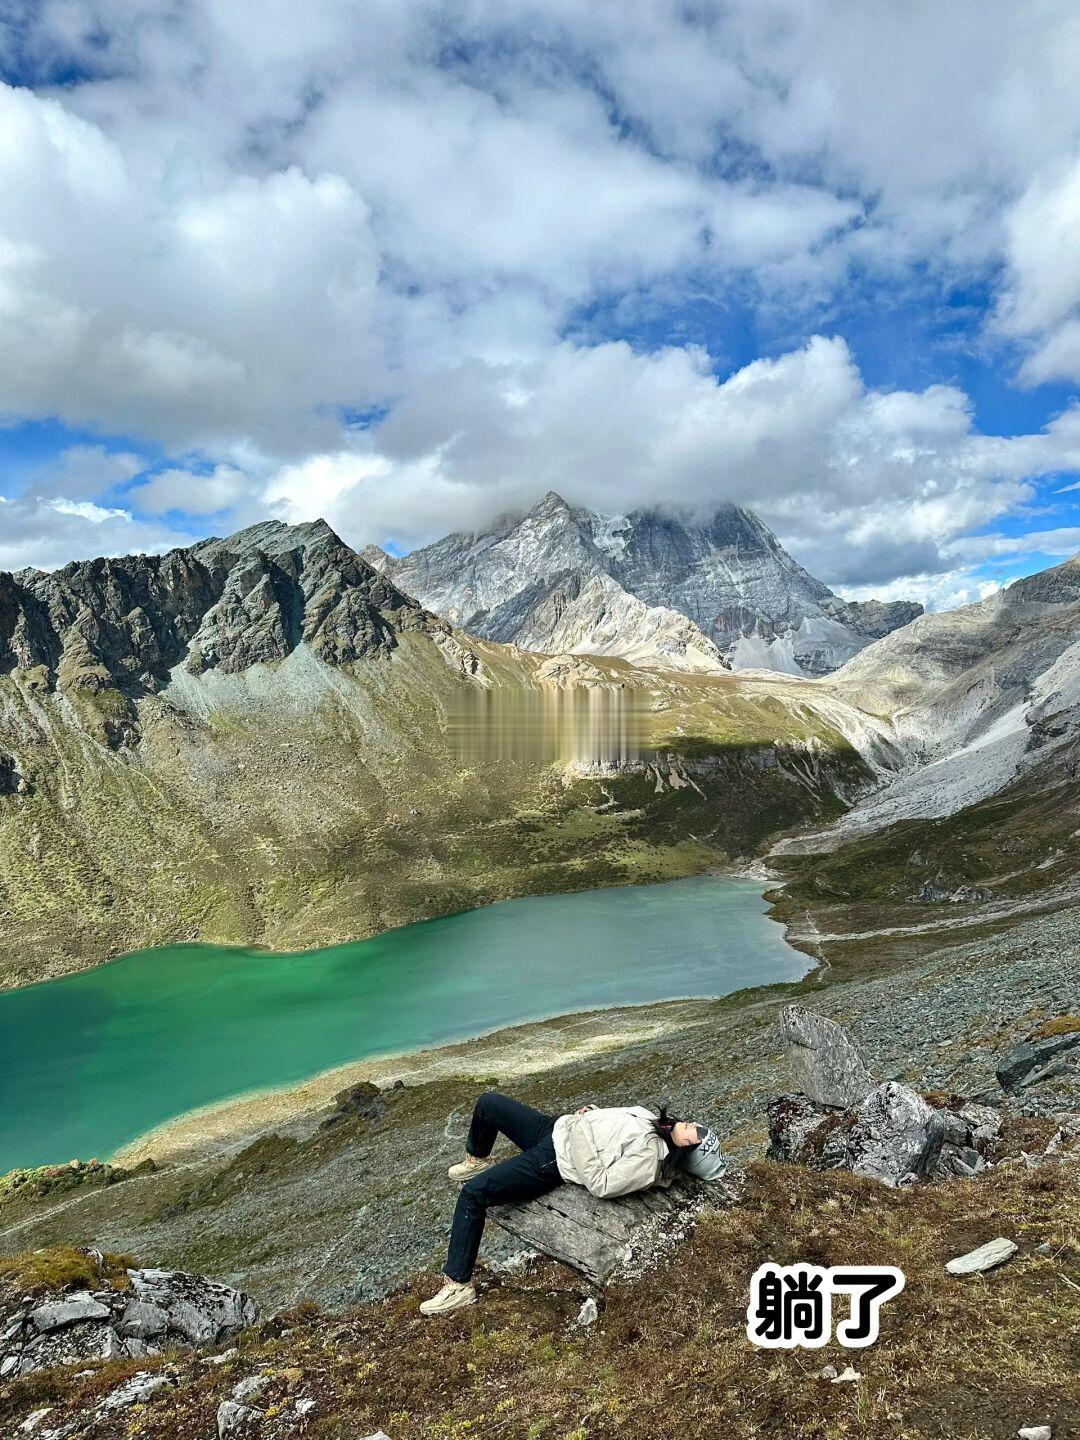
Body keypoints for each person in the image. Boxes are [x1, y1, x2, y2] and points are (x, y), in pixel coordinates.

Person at [420, 1090, 726, 1315]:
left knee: (473, 1194)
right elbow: (612, 1126)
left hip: (554, 1159)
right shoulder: (657, 1123)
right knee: (488, 1104)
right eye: (699, 1127)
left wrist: (581, 1130)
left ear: (689, 1152)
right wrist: (591, 1111)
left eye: (697, 1135)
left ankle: (458, 1284)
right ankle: (476, 1157)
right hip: (556, 1128)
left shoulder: (650, 1161)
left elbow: (601, 1183)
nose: (693, 1126)